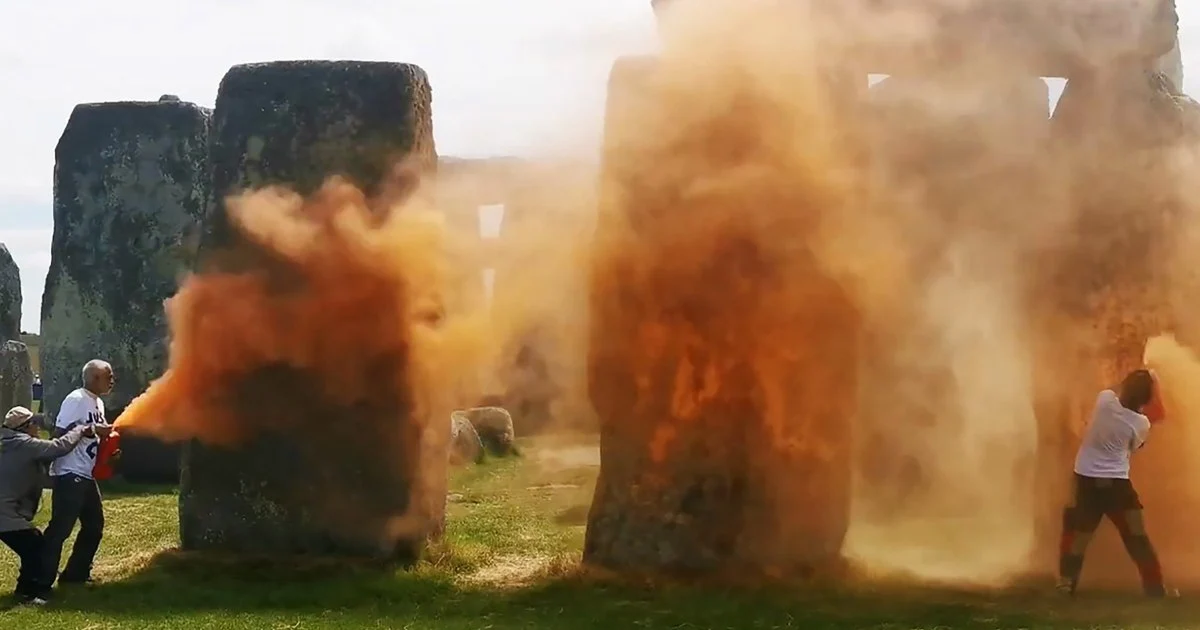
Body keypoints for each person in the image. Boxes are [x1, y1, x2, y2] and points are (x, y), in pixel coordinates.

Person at [1056, 368, 1175, 598]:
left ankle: (1065, 584)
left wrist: (1139, 376)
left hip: (1086, 479)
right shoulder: (1140, 423)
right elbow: (1136, 447)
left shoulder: (1104, 400)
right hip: (1116, 485)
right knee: (1137, 537)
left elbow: (1115, 388)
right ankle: (1155, 589)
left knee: (1080, 536)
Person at [0, 406, 100, 605]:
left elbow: (41, 479)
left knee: (33, 546)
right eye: (34, 423)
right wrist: (80, 429)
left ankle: (25, 590)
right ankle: (28, 594)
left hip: (6, 512)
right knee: (36, 548)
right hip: (5, 515)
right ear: (25, 427)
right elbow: (58, 447)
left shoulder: (10, 445)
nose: (38, 427)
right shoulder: (23, 444)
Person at [41, 360, 115, 589]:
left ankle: (75, 574)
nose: (112, 380)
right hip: (70, 472)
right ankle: (39, 581)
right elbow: (59, 434)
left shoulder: (98, 403)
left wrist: (108, 451)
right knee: (60, 530)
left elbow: (92, 439)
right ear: (94, 378)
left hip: (86, 473)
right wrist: (92, 430)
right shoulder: (77, 400)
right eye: (108, 376)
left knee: (94, 526)